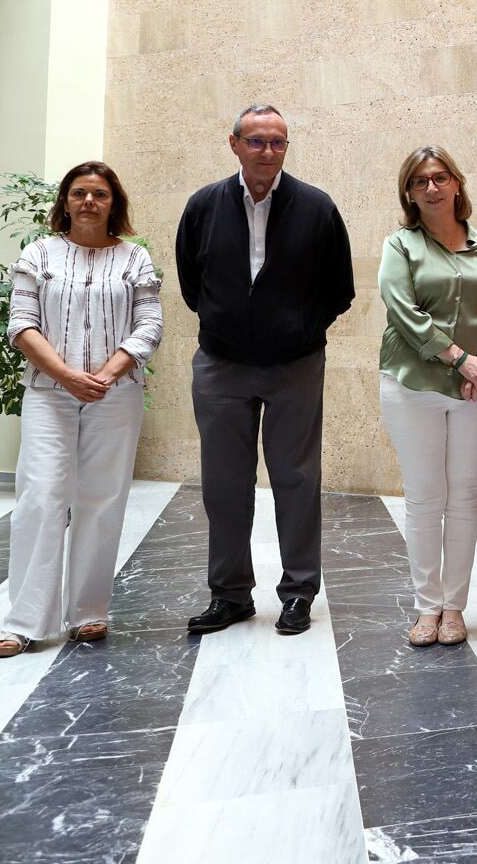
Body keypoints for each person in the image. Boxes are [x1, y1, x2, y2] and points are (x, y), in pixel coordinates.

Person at [177, 105, 355, 637]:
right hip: (221, 364)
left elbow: (340, 288)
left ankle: (298, 593)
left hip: (295, 366)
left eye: (278, 142)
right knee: (224, 485)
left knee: (297, 480)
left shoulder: (317, 207)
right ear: (233, 144)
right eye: (256, 141)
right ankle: (230, 595)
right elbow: (192, 283)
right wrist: (227, 322)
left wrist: (298, 328)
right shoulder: (204, 205)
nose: (268, 152)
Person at [0, 164, 163, 657]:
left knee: (102, 498)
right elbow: (21, 324)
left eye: (100, 193)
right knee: (40, 497)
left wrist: (106, 375)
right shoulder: (38, 253)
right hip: (49, 391)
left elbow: (149, 324)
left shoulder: (135, 259)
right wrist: (67, 376)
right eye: (80, 192)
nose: (89, 200)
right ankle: (24, 621)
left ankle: (89, 613)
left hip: (117, 393)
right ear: (65, 201)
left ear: (115, 203)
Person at [378, 146, 477, 648]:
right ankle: (426, 608)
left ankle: (454, 606)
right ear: (409, 193)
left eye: (439, 177)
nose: (431, 188)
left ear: (457, 182)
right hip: (413, 384)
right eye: (419, 182)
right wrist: (460, 358)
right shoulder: (400, 244)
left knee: (465, 494)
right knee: (424, 497)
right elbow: (402, 310)